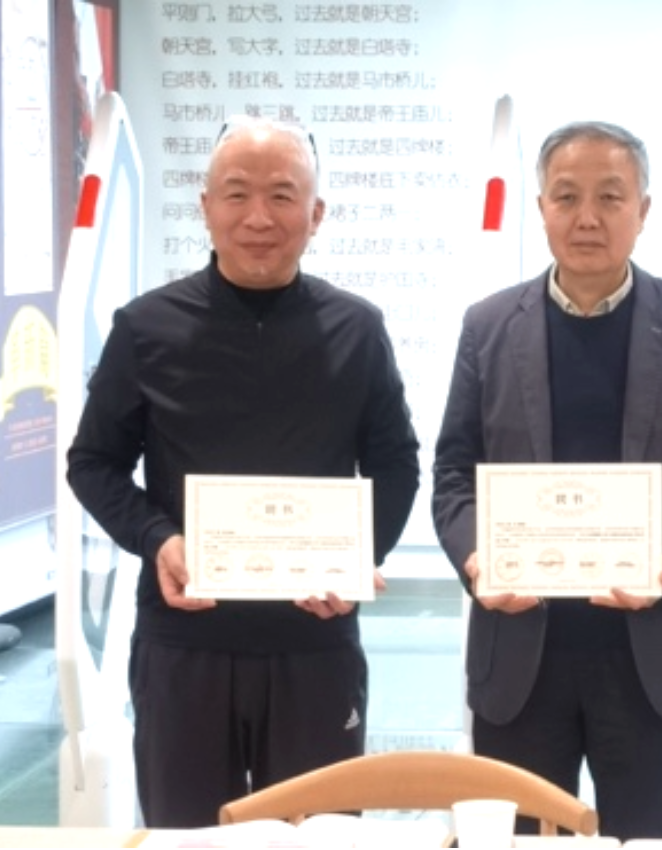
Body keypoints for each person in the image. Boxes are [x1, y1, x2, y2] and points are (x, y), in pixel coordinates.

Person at [66, 117, 420, 827]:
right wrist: (159, 538)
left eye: (283, 196)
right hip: (184, 642)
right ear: (206, 207)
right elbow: (93, 463)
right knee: (186, 835)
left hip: (314, 643)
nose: (259, 217)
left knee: (321, 837)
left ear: (316, 214)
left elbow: (396, 463)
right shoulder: (146, 328)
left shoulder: (357, 329)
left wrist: (358, 560)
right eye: (237, 194)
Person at [432, 121, 662, 840]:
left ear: (644, 210)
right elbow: (454, 472)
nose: (587, 217)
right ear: (540, 208)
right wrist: (479, 560)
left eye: (610, 197)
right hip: (521, 651)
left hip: (650, 654)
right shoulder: (488, 326)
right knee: (518, 839)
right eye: (567, 196)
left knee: (646, 837)